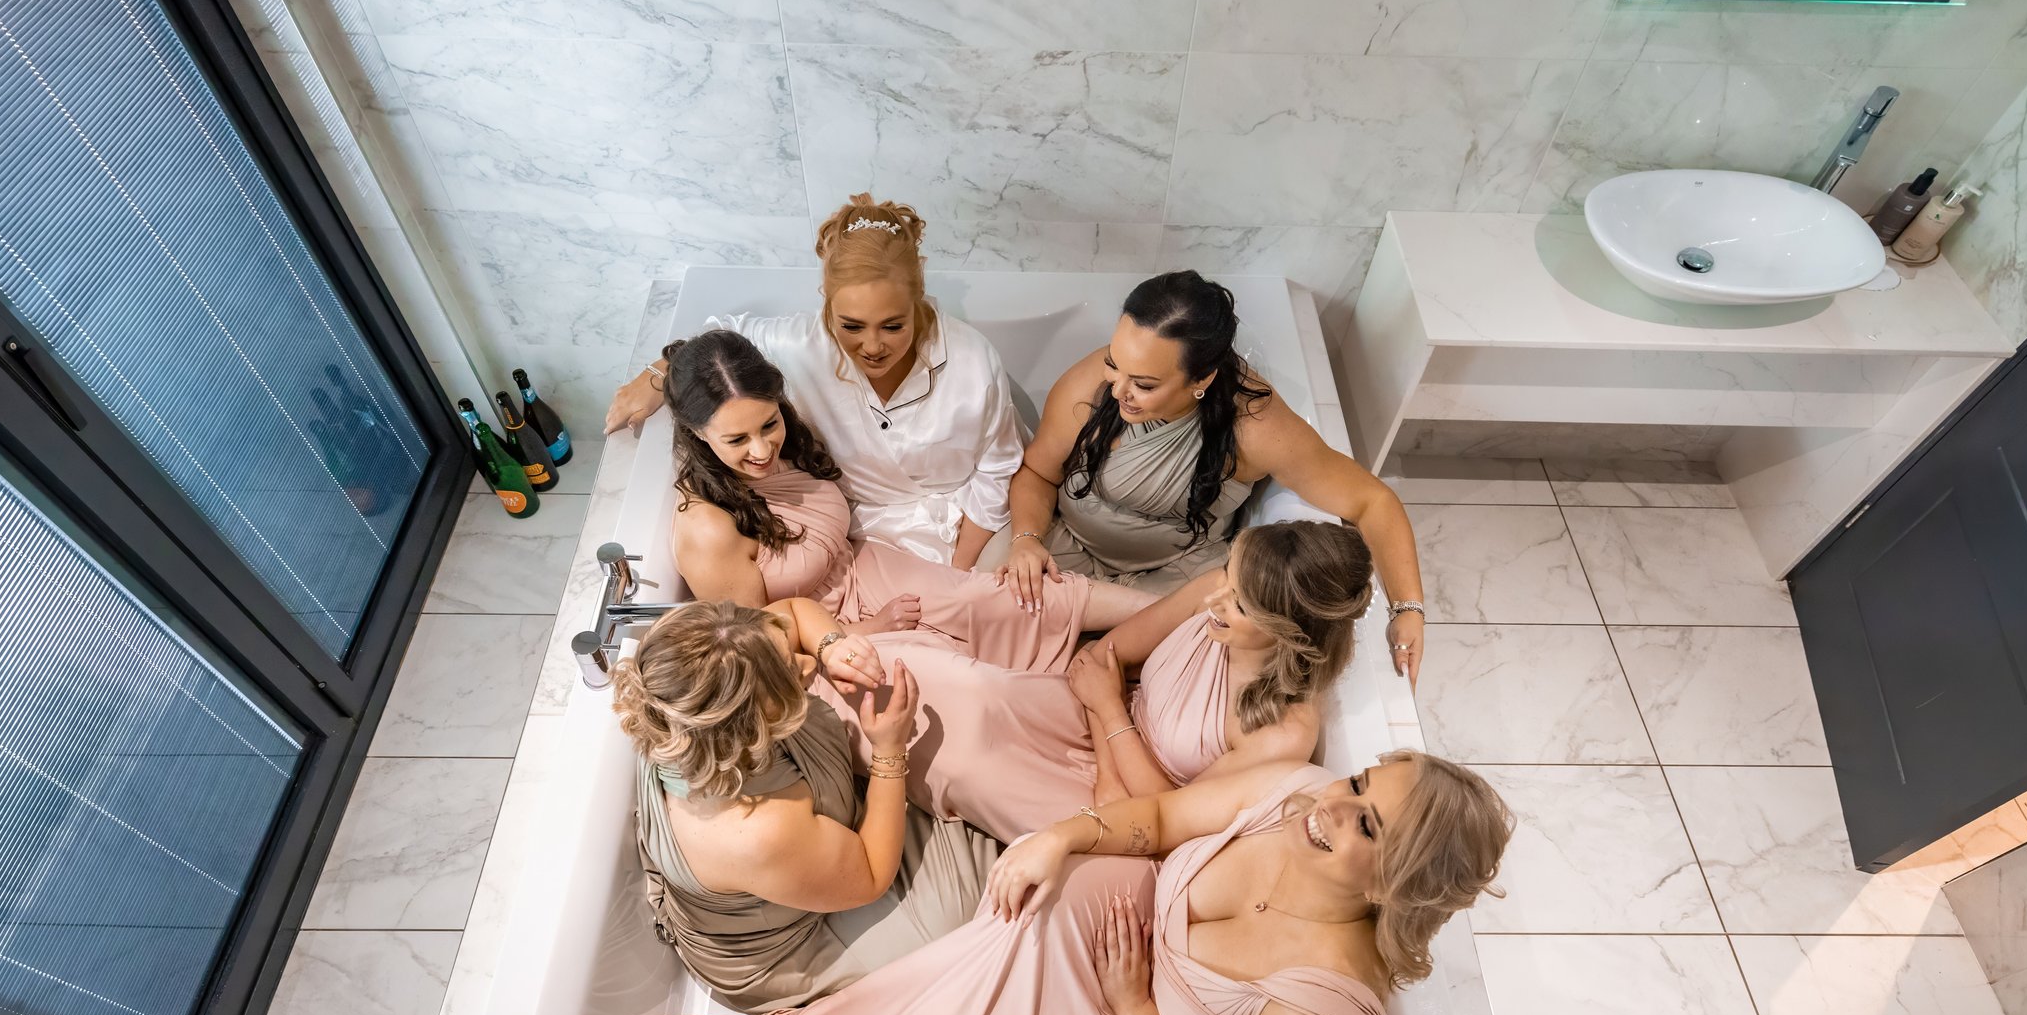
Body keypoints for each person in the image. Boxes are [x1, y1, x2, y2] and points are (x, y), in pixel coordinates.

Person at [655, 753, 1513, 1015]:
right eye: (1359, 783)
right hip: (1135, 932)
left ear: (1397, 884)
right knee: (1013, 920)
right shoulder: (1295, 797)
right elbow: (1163, 818)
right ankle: (888, 1008)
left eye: (1368, 824)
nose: (1332, 805)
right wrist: (1061, 839)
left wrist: (1135, 1006)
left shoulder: (1326, 1002)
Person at [998, 271, 1429, 685]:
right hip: (1065, 549)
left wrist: (1408, 608)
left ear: (1201, 378)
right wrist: (1027, 539)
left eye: (1144, 384)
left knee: (1105, 671)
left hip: (1175, 582)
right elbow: (1037, 472)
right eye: (1114, 364)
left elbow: (1372, 501)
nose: (1117, 390)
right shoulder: (1090, 384)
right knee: (1000, 638)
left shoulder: (1256, 427)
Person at [661, 329, 1149, 674]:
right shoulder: (708, 529)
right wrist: (864, 632)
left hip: (865, 566)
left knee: (996, 598)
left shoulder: (782, 441)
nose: (762, 450)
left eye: (769, 424)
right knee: (967, 677)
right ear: (698, 434)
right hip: (830, 639)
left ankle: (1176, 611)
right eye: (737, 440)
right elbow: (762, 651)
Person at [875, 520, 1373, 843]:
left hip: (1133, 807)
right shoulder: (1213, 593)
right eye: (1228, 576)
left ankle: (880, 774)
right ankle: (850, 675)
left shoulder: (1283, 733)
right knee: (976, 692)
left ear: (1289, 630)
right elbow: (1100, 657)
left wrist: (1109, 711)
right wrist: (1107, 719)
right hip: (1092, 719)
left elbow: (1171, 813)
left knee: (969, 770)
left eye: (1239, 604)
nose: (1214, 600)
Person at [614, 597, 993, 1015]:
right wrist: (889, 750)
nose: (808, 665)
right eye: (791, 671)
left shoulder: (698, 676)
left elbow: (793, 612)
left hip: (794, 855)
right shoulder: (752, 831)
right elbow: (871, 875)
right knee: (962, 927)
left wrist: (832, 646)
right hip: (784, 947)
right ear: (748, 725)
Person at [606, 195, 1023, 568]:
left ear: (917, 298)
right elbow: (720, 337)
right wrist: (658, 372)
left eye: (893, 326)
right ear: (827, 299)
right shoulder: (800, 345)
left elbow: (998, 472)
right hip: (858, 532)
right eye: (851, 326)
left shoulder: (973, 359)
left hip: (972, 527)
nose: (872, 347)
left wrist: (958, 572)